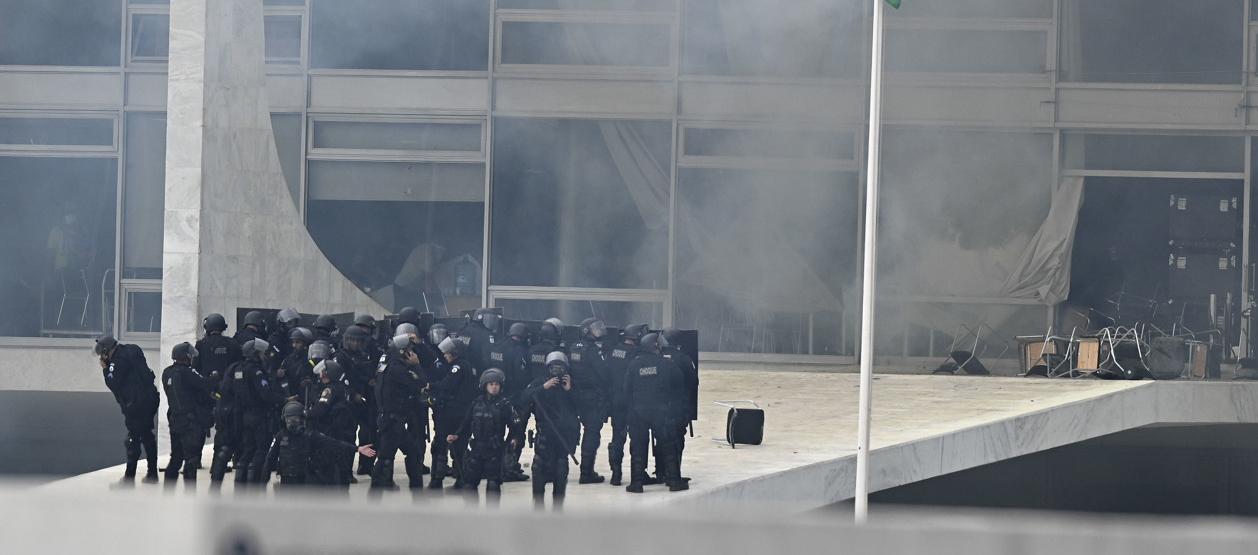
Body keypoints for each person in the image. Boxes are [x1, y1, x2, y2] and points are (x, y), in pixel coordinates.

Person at [446, 368, 520, 507]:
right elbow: (467, 422)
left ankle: (491, 515)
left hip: (495, 449)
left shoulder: (505, 405)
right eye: (491, 384)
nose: (494, 387)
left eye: (497, 384)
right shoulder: (477, 402)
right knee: (469, 483)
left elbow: (515, 426)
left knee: (493, 484)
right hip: (476, 448)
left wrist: (513, 440)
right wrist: (456, 434)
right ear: (485, 385)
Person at [624, 333, 687, 493]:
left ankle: (636, 483)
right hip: (662, 411)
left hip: (638, 412)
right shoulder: (667, 364)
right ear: (656, 347)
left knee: (638, 447)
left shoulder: (634, 365)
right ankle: (673, 481)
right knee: (668, 446)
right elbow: (680, 386)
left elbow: (627, 390)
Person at [265, 400, 376, 490]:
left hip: (305, 481)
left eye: (295, 419)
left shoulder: (310, 435)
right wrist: (261, 484)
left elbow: (334, 444)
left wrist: (357, 449)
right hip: (286, 481)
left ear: (302, 419)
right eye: (289, 420)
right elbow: (270, 459)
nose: (292, 423)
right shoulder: (280, 436)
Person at [96, 335, 160, 484]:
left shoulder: (116, 361)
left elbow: (113, 383)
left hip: (135, 405)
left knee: (133, 440)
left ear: (107, 350)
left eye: (102, 353)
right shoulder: (133, 349)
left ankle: (129, 478)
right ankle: (152, 474)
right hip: (149, 399)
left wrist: (105, 369)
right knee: (147, 436)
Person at [370, 334, 428, 490]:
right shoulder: (398, 368)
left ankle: (413, 490)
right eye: (409, 349)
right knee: (385, 458)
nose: (412, 352)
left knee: (409, 453)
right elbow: (420, 383)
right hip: (393, 420)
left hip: (389, 418)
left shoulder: (387, 362)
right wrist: (416, 365)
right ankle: (375, 493)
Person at [524, 352, 579, 510]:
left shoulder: (569, 385)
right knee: (539, 468)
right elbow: (523, 398)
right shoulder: (540, 382)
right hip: (545, 433)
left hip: (563, 436)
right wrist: (543, 387)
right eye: (554, 368)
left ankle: (558, 507)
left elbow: (581, 406)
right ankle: (538, 505)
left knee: (561, 469)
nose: (557, 371)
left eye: (560, 368)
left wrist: (570, 390)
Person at [222, 338, 281, 486]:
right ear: (255, 354)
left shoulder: (238, 369)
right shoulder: (256, 370)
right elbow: (266, 394)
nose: (264, 356)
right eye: (261, 353)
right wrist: (283, 399)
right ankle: (255, 482)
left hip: (243, 415)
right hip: (259, 415)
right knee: (261, 449)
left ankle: (240, 482)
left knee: (248, 449)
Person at [429, 336, 478, 489]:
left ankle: (437, 481)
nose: (445, 355)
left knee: (440, 446)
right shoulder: (469, 365)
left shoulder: (458, 367)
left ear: (455, 353)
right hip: (464, 413)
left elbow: (447, 385)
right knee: (460, 447)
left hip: (451, 413)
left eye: (447, 353)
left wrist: (429, 385)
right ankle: (461, 481)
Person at [195, 313, 241, 471]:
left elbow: (195, 368)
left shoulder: (200, 345)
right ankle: (223, 460)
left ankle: (196, 460)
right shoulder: (233, 344)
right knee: (225, 428)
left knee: (201, 427)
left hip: (205, 393)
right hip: (226, 393)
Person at [161, 342, 213, 483]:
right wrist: (214, 378)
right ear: (186, 357)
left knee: (176, 458)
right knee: (191, 459)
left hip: (174, 420)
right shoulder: (188, 372)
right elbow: (205, 385)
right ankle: (189, 498)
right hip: (190, 422)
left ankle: (168, 493)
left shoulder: (167, 372)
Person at [604, 323, 647, 486]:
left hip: (616, 400)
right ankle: (639, 474)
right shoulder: (637, 354)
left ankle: (616, 475)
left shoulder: (614, 351)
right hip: (632, 401)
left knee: (617, 437)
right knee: (637, 438)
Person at [568, 318, 610, 484]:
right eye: (595, 329)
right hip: (592, 397)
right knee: (592, 432)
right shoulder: (593, 351)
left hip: (575, 395)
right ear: (586, 331)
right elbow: (603, 373)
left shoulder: (573, 347)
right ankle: (586, 472)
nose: (599, 331)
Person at [488, 322, 531, 482]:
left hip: (496, 397)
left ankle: (494, 466)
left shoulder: (497, 347)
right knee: (516, 433)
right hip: (515, 398)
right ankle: (509, 468)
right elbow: (521, 376)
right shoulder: (520, 351)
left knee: (495, 434)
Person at [306, 358, 356, 487]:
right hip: (342, 431)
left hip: (330, 431)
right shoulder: (344, 388)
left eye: (324, 373)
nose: (321, 376)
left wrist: (305, 414)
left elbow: (320, 410)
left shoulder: (329, 390)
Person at [337, 324, 378, 478]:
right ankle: (346, 471)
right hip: (349, 401)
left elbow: (366, 374)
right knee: (348, 435)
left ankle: (366, 465)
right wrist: (353, 394)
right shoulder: (341, 356)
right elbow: (341, 379)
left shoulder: (363, 355)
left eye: (357, 341)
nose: (355, 344)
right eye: (352, 340)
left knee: (368, 433)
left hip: (366, 400)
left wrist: (371, 381)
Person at [662, 328, 698, 482]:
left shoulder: (656, 356)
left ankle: (661, 472)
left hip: (658, 406)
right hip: (677, 407)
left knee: (661, 439)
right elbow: (693, 382)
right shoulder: (683, 359)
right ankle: (674, 474)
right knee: (676, 441)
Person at [277, 327, 315, 400]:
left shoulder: (311, 360)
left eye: (297, 342)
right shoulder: (288, 359)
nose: (294, 345)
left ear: (306, 343)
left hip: (306, 398)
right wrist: (280, 374)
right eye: (293, 342)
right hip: (291, 397)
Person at [267, 308, 301, 372]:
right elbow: (272, 362)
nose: (293, 325)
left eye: (295, 322)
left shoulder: (294, 338)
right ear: (282, 324)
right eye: (290, 323)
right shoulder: (275, 340)